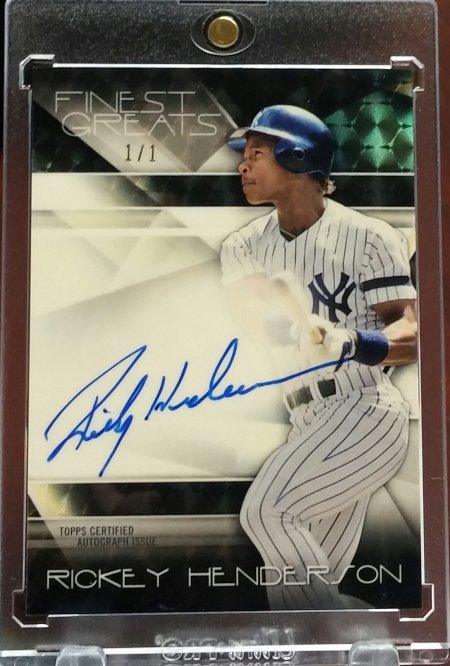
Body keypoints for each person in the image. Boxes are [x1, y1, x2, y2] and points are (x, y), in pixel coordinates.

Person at [220, 104, 417, 610]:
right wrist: (298, 331)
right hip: (305, 420)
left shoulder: (369, 236)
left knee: (267, 513)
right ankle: (347, 632)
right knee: (304, 594)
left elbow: (411, 332)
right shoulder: (243, 245)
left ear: (297, 156)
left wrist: (350, 343)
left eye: (257, 154)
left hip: (365, 412)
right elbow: (250, 320)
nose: (243, 164)